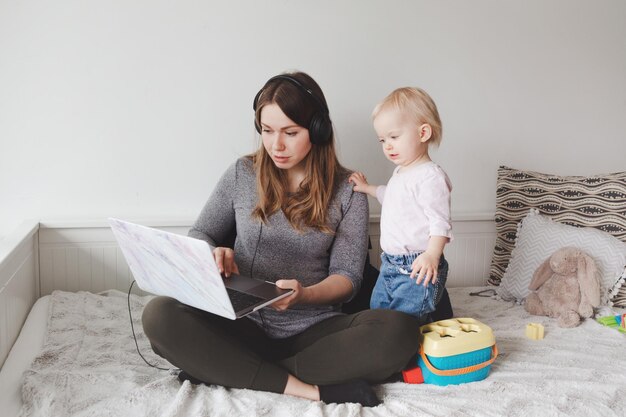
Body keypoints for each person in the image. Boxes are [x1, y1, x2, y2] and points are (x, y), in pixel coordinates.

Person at [141, 71, 423, 407]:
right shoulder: (241, 174)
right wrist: (213, 252)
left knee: (400, 332)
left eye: (290, 132)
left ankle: (227, 368)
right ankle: (306, 388)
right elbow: (202, 233)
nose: (276, 145)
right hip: (238, 323)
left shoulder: (349, 190)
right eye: (267, 131)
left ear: (317, 130)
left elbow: (347, 278)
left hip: (312, 332)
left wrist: (304, 295)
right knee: (159, 315)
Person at [349, 87, 452, 323]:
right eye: (382, 140)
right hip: (390, 264)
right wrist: (368, 188)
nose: (387, 145)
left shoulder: (430, 177)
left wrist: (432, 254)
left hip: (417, 266)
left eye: (394, 137)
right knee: (378, 315)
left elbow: (440, 223)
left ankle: (410, 353)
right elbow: (392, 197)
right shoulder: (402, 173)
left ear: (423, 132)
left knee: (406, 320)